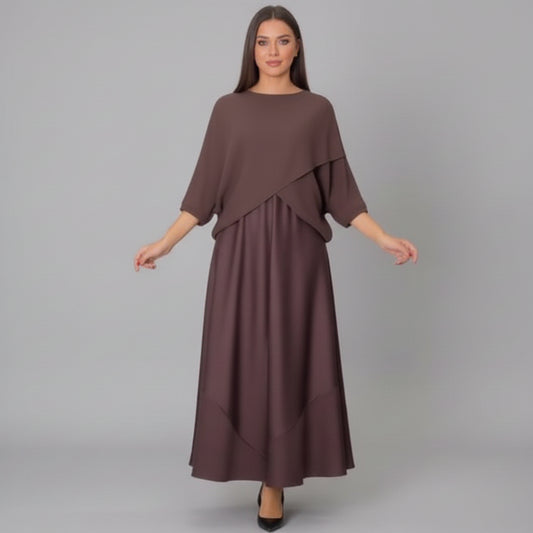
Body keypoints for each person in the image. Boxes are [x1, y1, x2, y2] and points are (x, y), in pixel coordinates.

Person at [134, 5, 418, 531]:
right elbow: (203, 192)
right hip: (239, 251)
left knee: (291, 357)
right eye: (262, 41)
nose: (272, 51)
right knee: (241, 356)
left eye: (283, 40)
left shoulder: (317, 110)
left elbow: (341, 192)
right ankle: (249, 463)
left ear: (297, 47)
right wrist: (165, 243)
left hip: (298, 251)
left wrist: (383, 237)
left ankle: (275, 482)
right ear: (251, 48)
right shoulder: (228, 110)